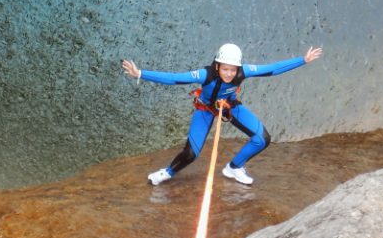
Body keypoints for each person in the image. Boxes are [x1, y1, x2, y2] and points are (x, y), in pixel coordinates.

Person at [121, 43, 323, 185]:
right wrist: (140, 74)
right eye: (225, 69)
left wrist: (303, 60)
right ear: (217, 66)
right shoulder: (205, 75)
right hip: (205, 110)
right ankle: (167, 172)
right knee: (191, 154)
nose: (229, 74)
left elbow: (272, 70)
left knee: (263, 138)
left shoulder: (244, 71)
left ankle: (234, 168)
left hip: (230, 106)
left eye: (233, 70)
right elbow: (175, 78)